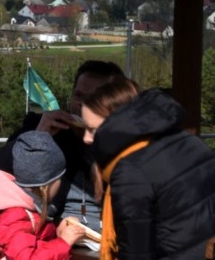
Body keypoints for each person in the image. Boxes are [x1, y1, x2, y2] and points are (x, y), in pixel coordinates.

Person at [0, 60, 124, 228]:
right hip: (55, 239)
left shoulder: (124, 144)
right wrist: (38, 135)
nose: (81, 104)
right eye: (78, 96)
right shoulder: (48, 131)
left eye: (93, 99)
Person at [81, 78, 215, 260]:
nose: (86, 138)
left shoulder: (130, 170)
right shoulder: (185, 141)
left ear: (116, 124)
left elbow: (136, 252)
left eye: (92, 130)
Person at [0, 131, 86, 260]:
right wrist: (63, 243)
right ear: (47, 185)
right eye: (59, 179)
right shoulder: (16, 216)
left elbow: (32, 242)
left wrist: (58, 233)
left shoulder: (18, 203)